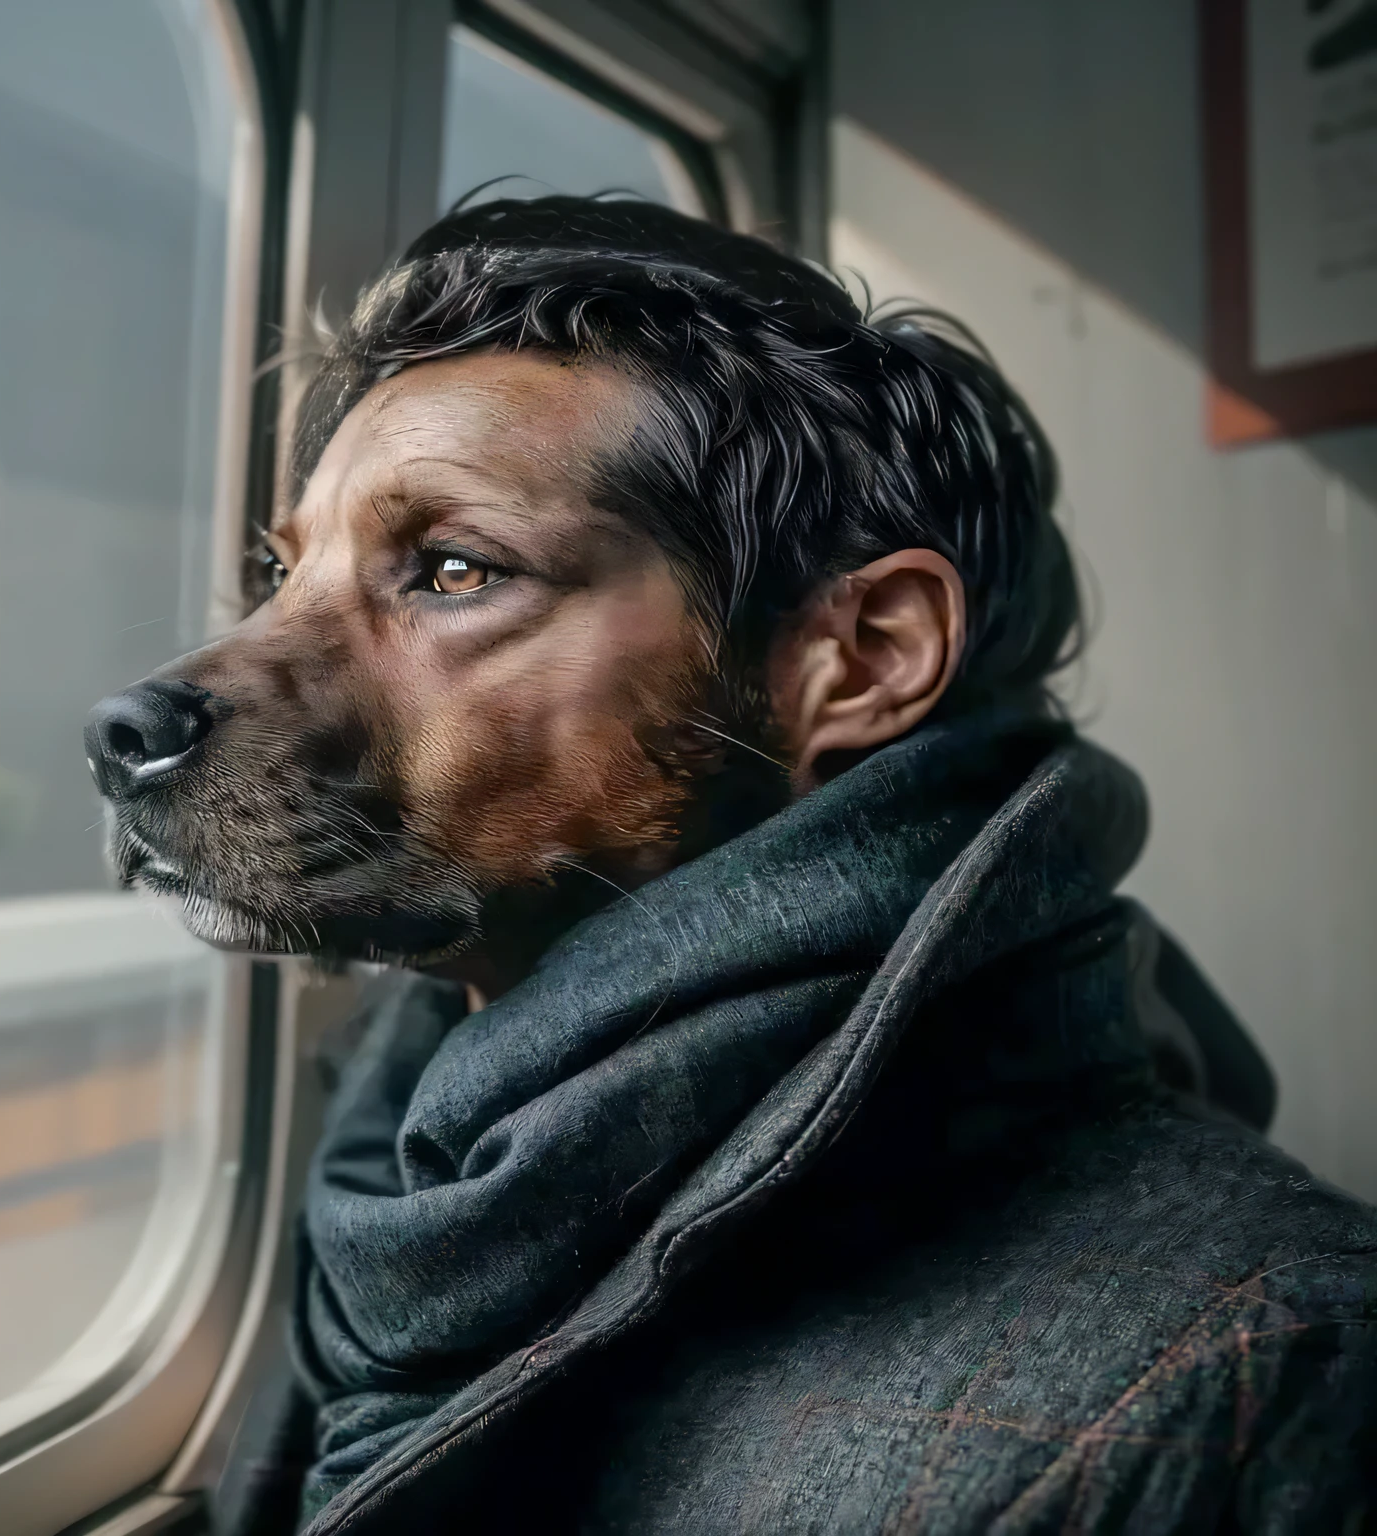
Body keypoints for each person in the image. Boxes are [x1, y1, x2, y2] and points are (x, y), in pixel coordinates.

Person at [85, 198, 1377, 1534]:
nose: (181, 696)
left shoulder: (1270, 1364)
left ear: (862, 657)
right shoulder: (405, 1163)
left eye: (454, 571)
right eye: (285, 573)